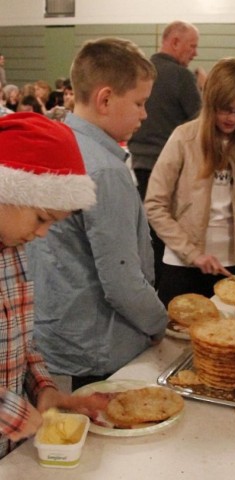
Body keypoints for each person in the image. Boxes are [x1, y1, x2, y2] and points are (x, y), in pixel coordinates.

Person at [26, 37, 168, 391]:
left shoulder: (58, 143)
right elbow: (121, 279)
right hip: (100, 343)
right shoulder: (104, 170)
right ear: (105, 99)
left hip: (56, 330)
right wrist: (157, 322)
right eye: (139, 102)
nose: (144, 114)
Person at [0, 112, 100, 459]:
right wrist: (9, 411)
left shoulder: (13, 248)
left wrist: (43, 387)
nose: (42, 232)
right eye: (42, 218)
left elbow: (20, 340)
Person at [144, 57, 235, 306]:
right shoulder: (184, 138)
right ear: (210, 102)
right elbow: (154, 205)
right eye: (224, 109)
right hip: (182, 265)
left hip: (229, 268)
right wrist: (193, 254)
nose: (232, 118)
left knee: (226, 340)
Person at [128, 20, 201, 200]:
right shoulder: (182, 76)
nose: (195, 53)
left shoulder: (139, 73)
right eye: (192, 46)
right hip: (169, 165)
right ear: (175, 42)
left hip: (136, 162)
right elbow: (201, 121)